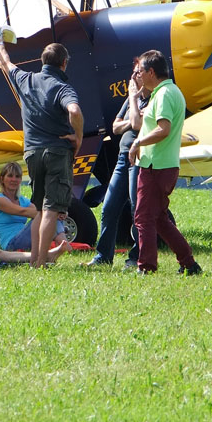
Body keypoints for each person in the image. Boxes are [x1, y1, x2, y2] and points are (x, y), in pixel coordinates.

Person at [0, 25, 83, 268]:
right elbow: (74, 111)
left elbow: (6, 63)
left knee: (38, 207)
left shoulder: (26, 79)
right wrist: (78, 137)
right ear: (64, 64)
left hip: (32, 153)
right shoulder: (63, 87)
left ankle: (35, 263)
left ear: (42, 61)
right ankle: (40, 261)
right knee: (51, 210)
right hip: (57, 151)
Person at [128, 50, 202, 275]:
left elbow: (163, 129)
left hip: (156, 167)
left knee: (143, 217)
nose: (138, 76)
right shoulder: (169, 91)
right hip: (162, 165)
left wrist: (137, 143)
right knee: (159, 219)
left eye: (140, 71)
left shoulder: (163, 94)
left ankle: (146, 267)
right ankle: (189, 263)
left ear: (152, 72)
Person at [84, 59, 151, 267]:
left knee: (136, 209)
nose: (133, 77)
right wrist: (133, 115)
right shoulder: (131, 100)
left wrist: (133, 105)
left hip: (139, 157)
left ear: (148, 74)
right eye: (133, 72)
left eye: (137, 72)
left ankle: (137, 256)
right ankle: (103, 256)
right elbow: (115, 126)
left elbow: (139, 124)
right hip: (123, 157)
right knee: (109, 207)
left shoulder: (155, 99)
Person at [0, 162, 71, 257]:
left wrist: (58, 212)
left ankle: (63, 245)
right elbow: (22, 211)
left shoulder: (22, 200)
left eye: (17, 176)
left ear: (20, 180)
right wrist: (53, 213)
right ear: (2, 179)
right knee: (49, 216)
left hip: (25, 238)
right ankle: (66, 246)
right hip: (12, 244)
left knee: (50, 215)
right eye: (10, 176)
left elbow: (39, 210)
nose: (14, 179)